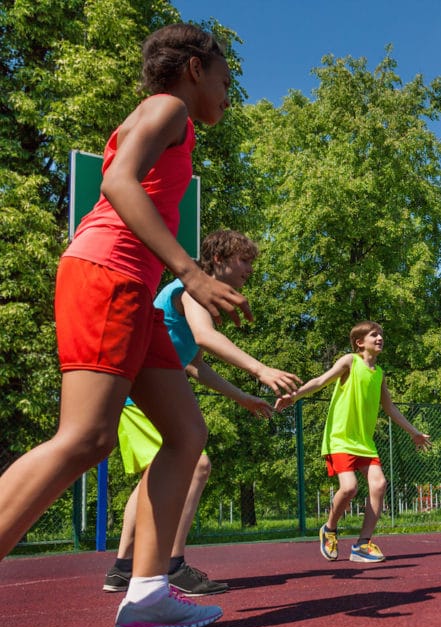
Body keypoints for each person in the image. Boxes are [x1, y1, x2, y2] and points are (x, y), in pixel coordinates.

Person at [0, 24, 255, 627]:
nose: (229, 93)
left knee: (187, 434)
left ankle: (146, 594)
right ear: (195, 68)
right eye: (225, 79)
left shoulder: (180, 126)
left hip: (133, 291)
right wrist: (191, 272)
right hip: (106, 273)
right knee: (86, 438)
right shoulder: (167, 107)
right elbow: (117, 184)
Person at [103, 230, 301, 596]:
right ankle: (173, 564)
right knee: (197, 464)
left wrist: (242, 397)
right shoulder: (192, 287)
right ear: (220, 259)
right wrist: (260, 370)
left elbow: (194, 365)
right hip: (142, 395)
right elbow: (206, 337)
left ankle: (122, 568)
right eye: (245, 261)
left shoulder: (193, 297)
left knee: (154, 477)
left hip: (141, 393)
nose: (249, 269)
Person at [275, 322, 430, 563]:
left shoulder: (379, 374)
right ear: (360, 342)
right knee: (349, 488)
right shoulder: (350, 361)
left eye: (381, 334)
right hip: (340, 437)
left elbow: (389, 408)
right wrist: (293, 396)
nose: (379, 338)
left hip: (364, 442)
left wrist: (414, 432)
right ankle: (329, 529)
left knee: (379, 485)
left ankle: (362, 544)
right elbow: (320, 381)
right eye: (374, 335)